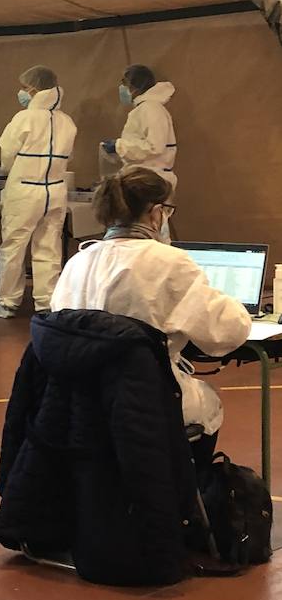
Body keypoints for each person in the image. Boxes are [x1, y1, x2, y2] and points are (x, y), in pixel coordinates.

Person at [50, 166, 249, 439]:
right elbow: (226, 333)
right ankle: (190, 479)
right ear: (156, 213)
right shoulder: (169, 262)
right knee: (209, 403)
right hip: (144, 402)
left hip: (78, 405)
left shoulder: (77, 262)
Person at [0, 66, 77, 319]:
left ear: (32, 89)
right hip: (54, 190)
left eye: (24, 87)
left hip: (25, 190)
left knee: (13, 248)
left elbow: (7, 154)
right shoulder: (67, 121)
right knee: (49, 247)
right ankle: (46, 301)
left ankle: (9, 301)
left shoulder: (24, 118)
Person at [101, 64, 177, 238]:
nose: (121, 88)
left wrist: (119, 146)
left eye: (124, 83)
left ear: (135, 85)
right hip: (145, 179)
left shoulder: (151, 109)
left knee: (153, 233)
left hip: (151, 181)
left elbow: (154, 146)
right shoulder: (145, 109)